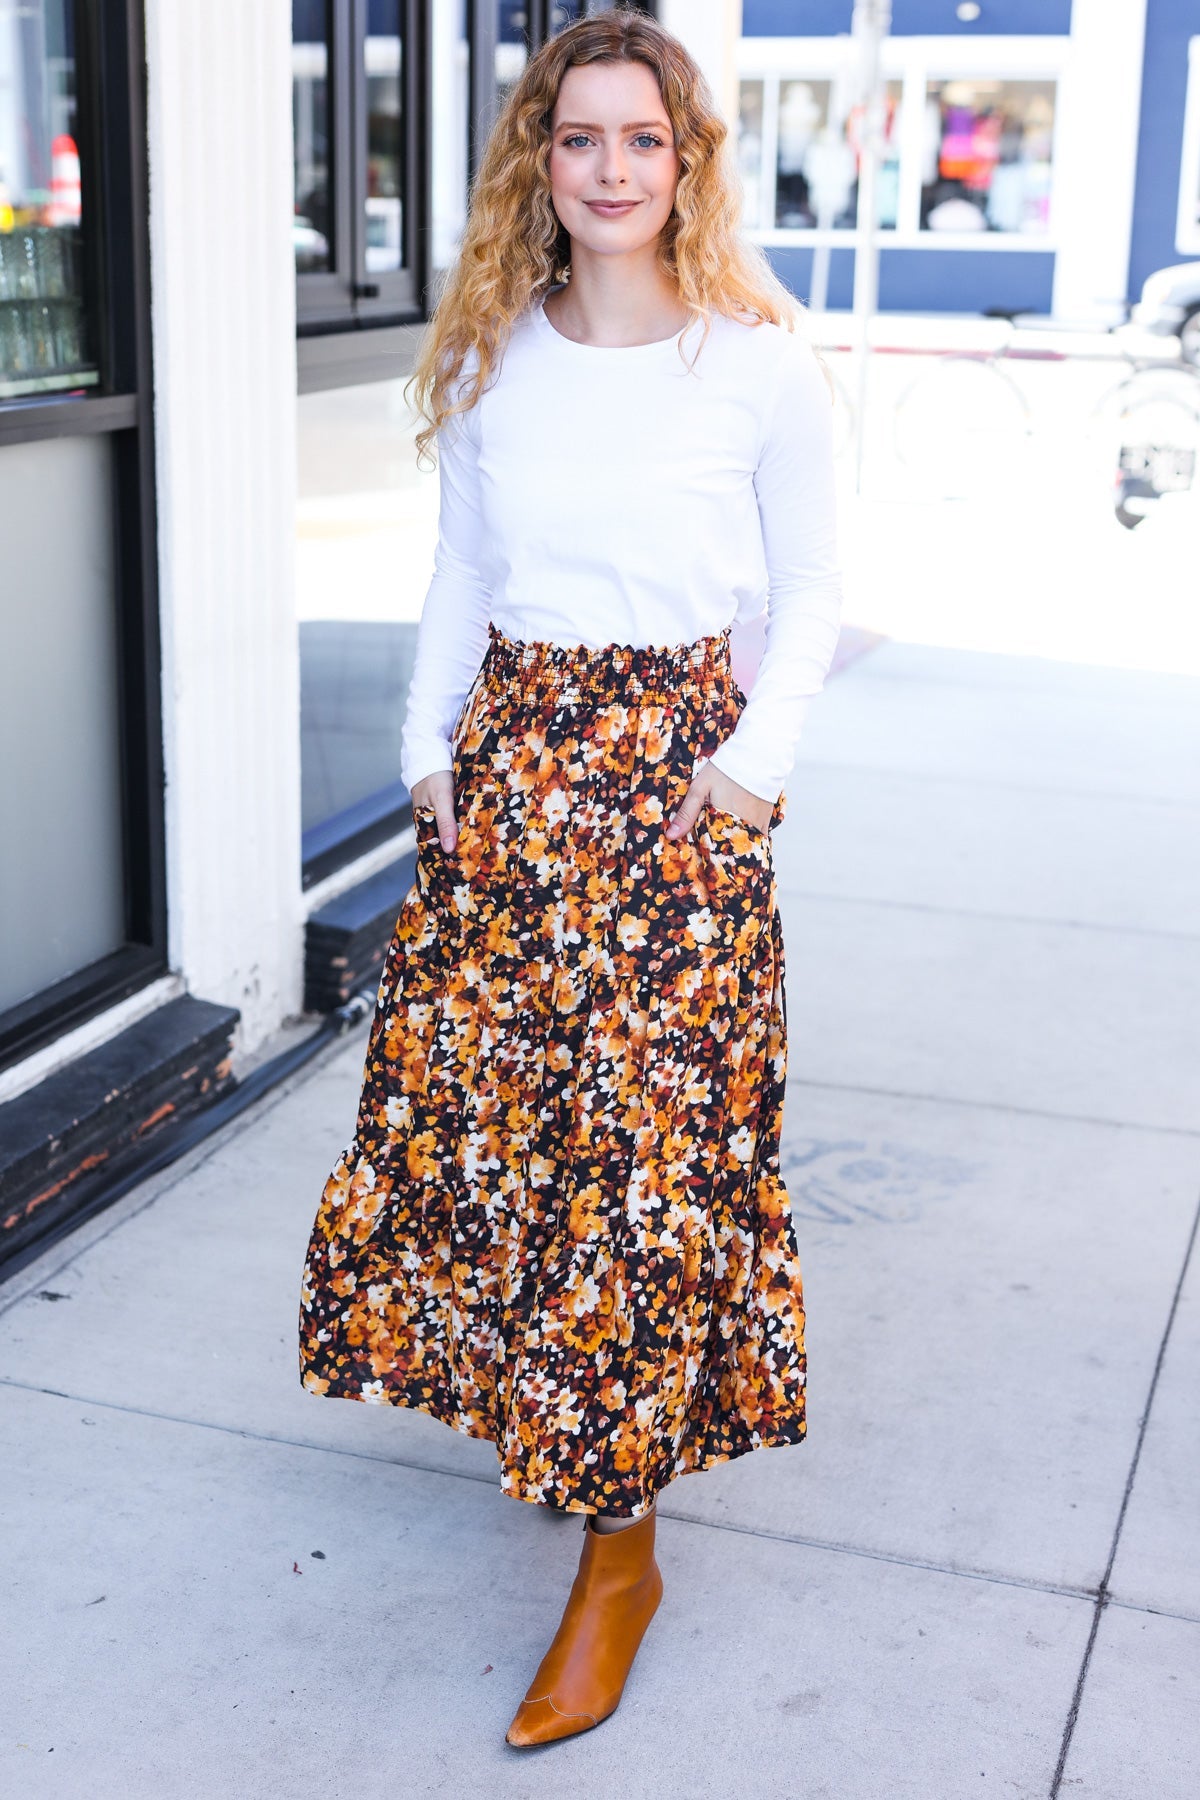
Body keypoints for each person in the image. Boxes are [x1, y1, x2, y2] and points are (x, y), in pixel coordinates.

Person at [298, 10, 842, 1749]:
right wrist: (423, 754)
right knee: (510, 1138)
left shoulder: (756, 363)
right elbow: (460, 567)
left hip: (681, 795)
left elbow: (815, 595)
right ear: (542, 159)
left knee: (645, 1165)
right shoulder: (490, 359)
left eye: (643, 141)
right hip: (513, 786)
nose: (611, 169)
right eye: (581, 138)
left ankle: (623, 1553)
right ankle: (571, 1426)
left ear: (686, 166)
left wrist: (751, 776)